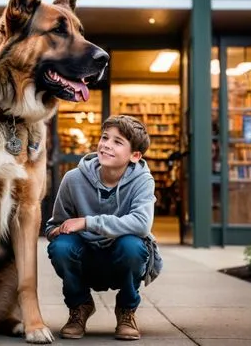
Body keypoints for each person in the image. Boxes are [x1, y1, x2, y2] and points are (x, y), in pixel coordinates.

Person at [46, 115, 163, 341]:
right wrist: (56, 231)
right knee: (61, 247)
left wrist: (88, 221)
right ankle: (79, 306)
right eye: (105, 137)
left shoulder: (143, 180)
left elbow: (141, 224)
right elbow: (55, 224)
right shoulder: (73, 179)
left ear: (135, 156)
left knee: (133, 245)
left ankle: (126, 309)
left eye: (118, 142)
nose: (107, 144)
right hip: (86, 257)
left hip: (121, 258)